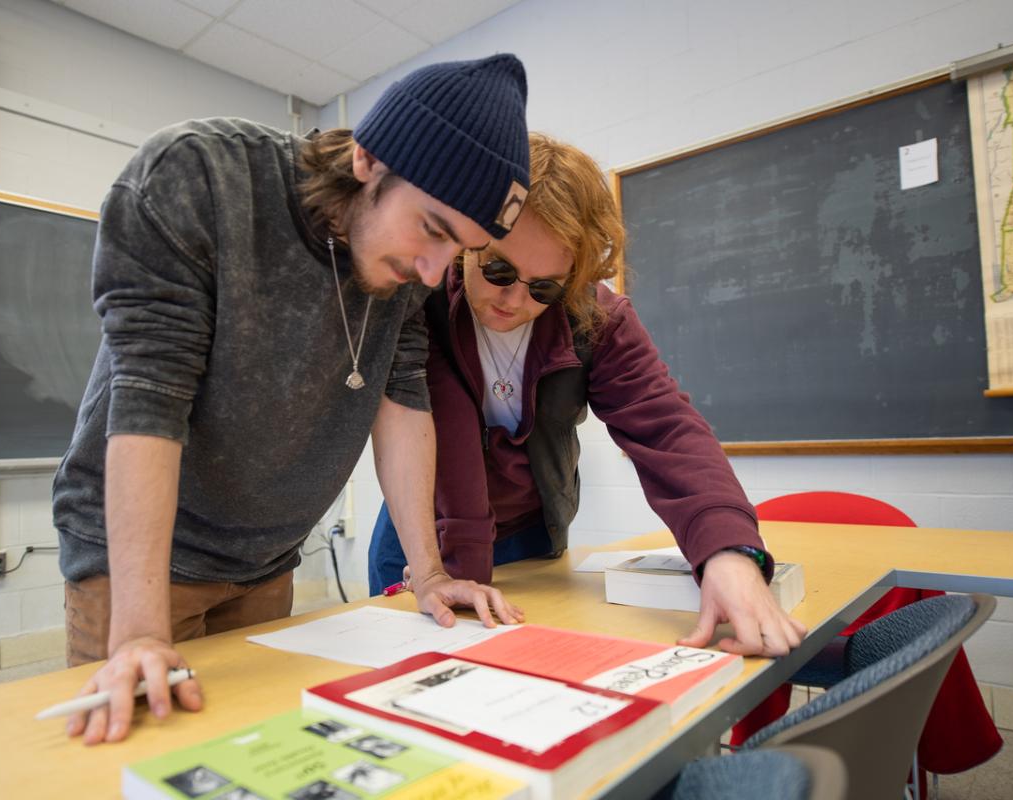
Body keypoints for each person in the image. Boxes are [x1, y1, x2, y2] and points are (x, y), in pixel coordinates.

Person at [52, 54, 531, 746]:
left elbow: (401, 398)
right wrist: (141, 632)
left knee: (252, 754)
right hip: (138, 570)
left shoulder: (415, 269)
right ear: (368, 160)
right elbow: (149, 399)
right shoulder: (198, 178)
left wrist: (427, 573)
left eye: (460, 251)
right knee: (138, 756)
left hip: (267, 564)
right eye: (430, 229)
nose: (432, 272)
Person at [367, 133, 807, 657]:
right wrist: (431, 567)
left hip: (531, 532)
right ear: (468, 236)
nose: (513, 299)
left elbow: (666, 428)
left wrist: (728, 554)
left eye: (544, 286)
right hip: (421, 535)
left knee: (522, 672)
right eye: (498, 269)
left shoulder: (596, 318)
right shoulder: (424, 302)